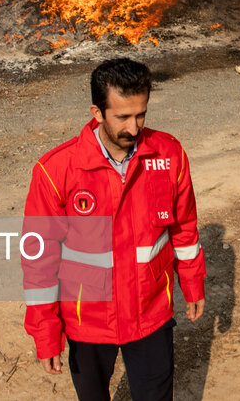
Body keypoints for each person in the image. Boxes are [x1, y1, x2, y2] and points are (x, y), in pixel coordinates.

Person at [21, 57, 205, 401]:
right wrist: (46, 333)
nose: (134, 129)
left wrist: (192, 284)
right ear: (97, 112)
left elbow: (184, 227)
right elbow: (38, 260)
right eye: (122, 117)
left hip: (150, 314)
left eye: (141, 115)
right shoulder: (56, 170)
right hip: (86, 319)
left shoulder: (169, 154)